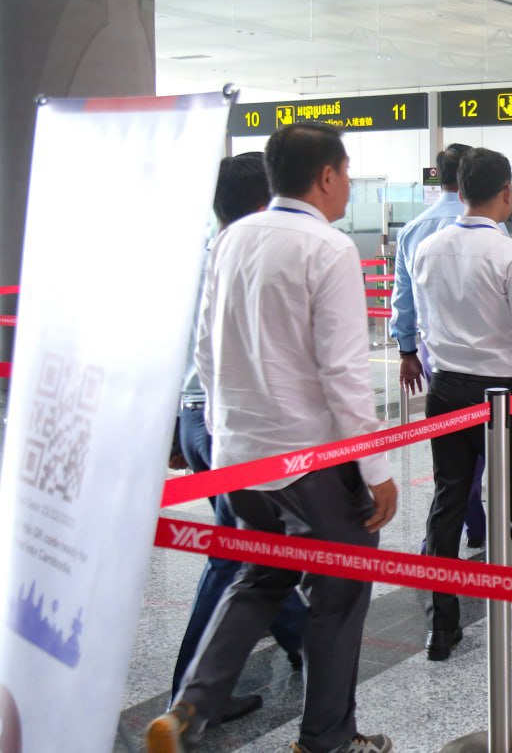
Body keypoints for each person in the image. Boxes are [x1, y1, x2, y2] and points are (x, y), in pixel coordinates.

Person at [149, 123, 399, 753]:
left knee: (259, 575)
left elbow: (206, 348)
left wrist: (225, 433)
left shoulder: (231, 238)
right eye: (346, 172)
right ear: (326, 175)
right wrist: (376, 470)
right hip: (310, 460)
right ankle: (326, 740)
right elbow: (343, 372)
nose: (347, 185)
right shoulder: (328, 248)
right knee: (339, 594)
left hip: (240, 455)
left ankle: (192, 704)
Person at [412, 147, 512, 659]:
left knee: (449, 499)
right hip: (500, 396)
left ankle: (441, 625)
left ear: (460, 189)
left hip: (445, 390)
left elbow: (423, 322)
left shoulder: (428, 247)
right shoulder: (509, 252)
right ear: (506, 191)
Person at [169, 153, 307, 715]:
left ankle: (302, 638)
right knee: (234, 555)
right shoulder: (243, 260)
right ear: (261, 203)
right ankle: (193, 695)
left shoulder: (202, 257)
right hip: (227, 420)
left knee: (256, 547)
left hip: (196, 413)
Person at [391, 142, 488, 549]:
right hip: (483, 350)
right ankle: (464, 521)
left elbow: (402, 298)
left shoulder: (413, 229)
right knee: (479, 440)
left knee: (451, 437)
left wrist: (407, 351)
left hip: (434, 350)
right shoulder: (488, 226)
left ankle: (471, 521)